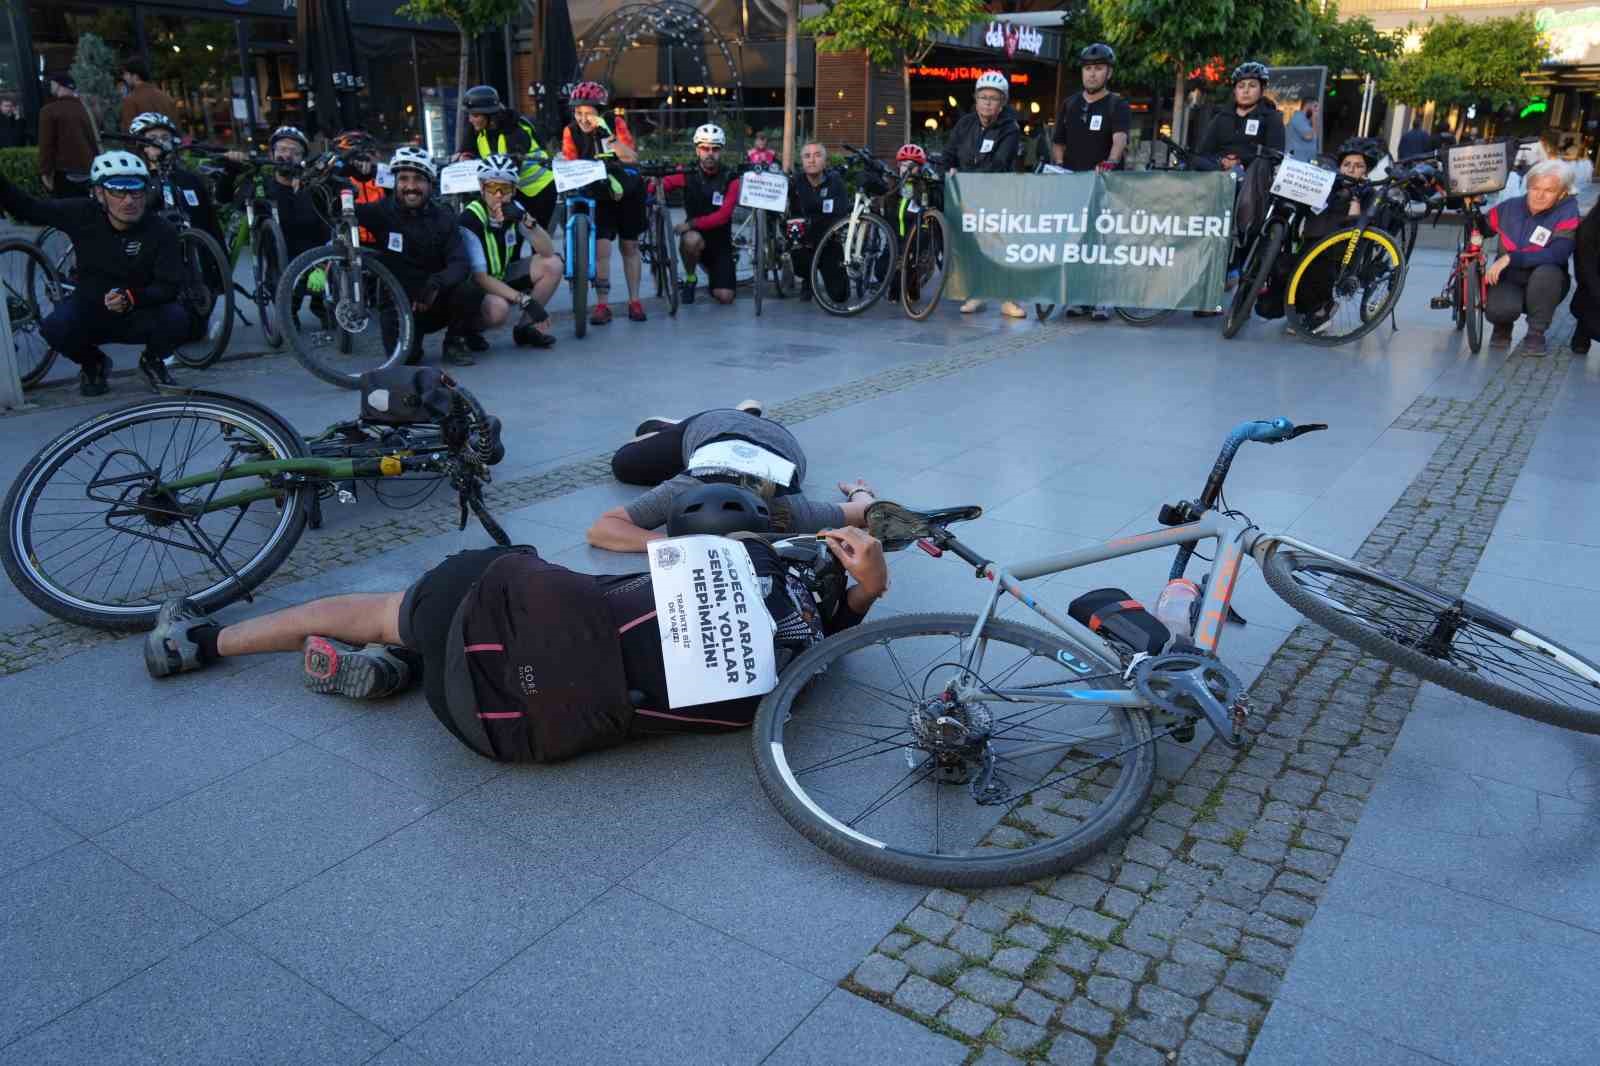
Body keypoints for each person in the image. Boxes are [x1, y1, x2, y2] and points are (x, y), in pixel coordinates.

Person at [142, 482, 889, 765]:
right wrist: (864, 598)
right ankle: (403, 670)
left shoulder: (684, 572)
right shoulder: (784, 674)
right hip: (501, 732)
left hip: (492, 627)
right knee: (487, 637)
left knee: (438, 591)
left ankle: (197, 641)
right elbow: (817, 654)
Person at [0, 150, 186, 395]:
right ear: (100, 193)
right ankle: (93, 363)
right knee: (55, 326)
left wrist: (131, 298)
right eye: (117, 191)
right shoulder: (83, 214)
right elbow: (29, 209)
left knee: (180, 317)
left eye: (136, 190)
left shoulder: (162, 230)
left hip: (140, 311)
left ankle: (152, 361)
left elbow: (169, 285)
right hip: (91, 309)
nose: (128, 200)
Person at [590, 405, 880, 552]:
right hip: (712, 425)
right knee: (624, 463)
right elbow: (601, 530)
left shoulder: (788, 511)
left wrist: (858, 491)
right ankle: (676, 426)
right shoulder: (685, 488)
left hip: (777, 437)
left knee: (634, 453)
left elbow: (867, 513)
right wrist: (672, 547)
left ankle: (744, 414)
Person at [353, 147, 479, 366]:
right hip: (397, 305)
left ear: (430, 183)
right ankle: (413, 343)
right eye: (403, 179)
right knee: (407, 361)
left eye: (418, 179)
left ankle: (455, 341)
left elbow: (460, 263)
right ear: (395, 182)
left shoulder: (444, 216)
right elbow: (339, 211)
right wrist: (340, 178)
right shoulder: (381, 211)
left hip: (435, 301)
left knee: (470, 289)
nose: (411, 187)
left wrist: (435, 284)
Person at [1051, 43, 1130, 320]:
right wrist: (1060, 166)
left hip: (1104, 182)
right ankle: (1079, 296)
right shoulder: (1070, 104)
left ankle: (1102, 299)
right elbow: (1058, 142)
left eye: (1098, 69)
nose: (1092, 74)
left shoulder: (1117, 104)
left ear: (1108, 72)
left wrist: (1109, 161)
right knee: (1077, 240)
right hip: (1074, 180)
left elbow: (1120, 138)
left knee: (1101, 240)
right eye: (1087, 69)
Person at [561, 81, 647, 324]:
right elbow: (570, 162)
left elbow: (631, 157)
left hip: (628, 189)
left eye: (589, 113)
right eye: (578, 113)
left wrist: (608, 135)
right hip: (599, 193)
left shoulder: (615, 125)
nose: (583, 119)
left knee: (629, 246)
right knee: (601, 250)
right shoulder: (570, 131)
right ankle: (602, 305)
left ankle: (634, 301)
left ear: (600, 113)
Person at [939, 70, 1023, 318]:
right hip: (967, 197)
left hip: (999, 196)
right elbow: (948, 154)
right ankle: (977, 293)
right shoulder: (965, 124)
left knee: (1001, 247)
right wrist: (949, 169)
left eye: (994, 98)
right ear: (975, 99)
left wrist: (968, 176)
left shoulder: (1010, 128)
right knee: (973, 247)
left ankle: (1009, 299)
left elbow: (999, 162)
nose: (987, 102)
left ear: (1002, 102)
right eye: (983, 96)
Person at [458, 153, 560, 351]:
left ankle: (525, 328)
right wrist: (524, 299)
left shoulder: (515, 209)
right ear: (481, 187)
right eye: (491, 187)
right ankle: (468, 330)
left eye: (504, 188)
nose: (498, 194)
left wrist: (526, 220)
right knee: (498, 310)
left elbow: (548, 251)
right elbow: (480, 277)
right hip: (478, 285)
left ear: (513, 190)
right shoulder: (470, 219)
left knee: (553, 264)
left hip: (504, 275)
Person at [1483, 160, 1578, 356]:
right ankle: (1502, 326)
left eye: (1549, 190)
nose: (1540, 195)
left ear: (1562, 194)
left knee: (1548, 272)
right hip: (1509, 278)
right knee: (1499, 309)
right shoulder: (1510, 207)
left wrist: (1511, 258)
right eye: (1535, 188)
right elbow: (1482, 227)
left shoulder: (1567, 212)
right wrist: (1471, 205)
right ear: (1528, 187)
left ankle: (1536, 332)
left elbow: (1559, 252)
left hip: (1547, 281)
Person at [454, 84, 558, 231]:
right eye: (470, 115)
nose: (470, 119)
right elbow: (466, 148)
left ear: (489, 115)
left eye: (475, 115)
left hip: (539, 191)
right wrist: (464, 156)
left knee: (536, 237)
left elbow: (509, 170)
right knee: (510, 242)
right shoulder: (478, 127)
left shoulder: (516, 131)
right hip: (511, 191)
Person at [660, 124, 742, 306]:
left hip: (721, 243)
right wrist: (651, 186)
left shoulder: (731, 178)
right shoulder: (687, 174)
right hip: (695, 238)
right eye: (705, 148)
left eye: (715, 149)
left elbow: (723, 216)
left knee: (725, 297)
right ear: (698, 150)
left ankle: (715, 271)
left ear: (721, 151)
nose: (710, 153)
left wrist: (690, 224)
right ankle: (690, 278)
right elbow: (663, 183)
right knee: (691, 240)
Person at [127, 113, 224, 249]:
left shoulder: (190, 179)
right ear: (140, 145)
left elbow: (212, 225)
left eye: (165, 137)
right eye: (152, 138)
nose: (160, 142)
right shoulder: (136, 182)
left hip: (198, 259)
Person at [1194, 62, 1284, 173]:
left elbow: (1275, 156)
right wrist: (1222, 160)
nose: (1246, 91)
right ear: (1235, 91)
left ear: (1262, 90)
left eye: (1252, 85)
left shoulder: (1272, 118)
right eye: (1241, 86)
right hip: (1218, 178)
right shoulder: (1221, 117)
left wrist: (1241, 161)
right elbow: (1203, 152)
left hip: (1253, 180)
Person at [787, 140, 847, 304]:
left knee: (840, 295)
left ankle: (824, 273)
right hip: (804, 242)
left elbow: (842, 212)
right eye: (807, 156)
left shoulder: (836, 182)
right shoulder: (794, 183)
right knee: (799, 252)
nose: (811, 160)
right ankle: (808, 280)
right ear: (802, 161)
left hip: (829, 242)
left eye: (817, 155)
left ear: (825, 161)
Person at [38, 73, 98, 197]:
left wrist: (45, 172)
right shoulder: (86, 108)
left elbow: (46, 145)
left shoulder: (49, 110)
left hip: (64, 174)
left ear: (57, 85)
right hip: (90, 170)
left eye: (52, 83)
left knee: (67, 212)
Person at [118, 59, 178, 131]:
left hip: (143, 141)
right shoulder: (166, 97)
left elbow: (129, 131)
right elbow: (176, 129)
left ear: (135, 76)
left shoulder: (130, 100)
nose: (124, 77)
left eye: (126, 74)